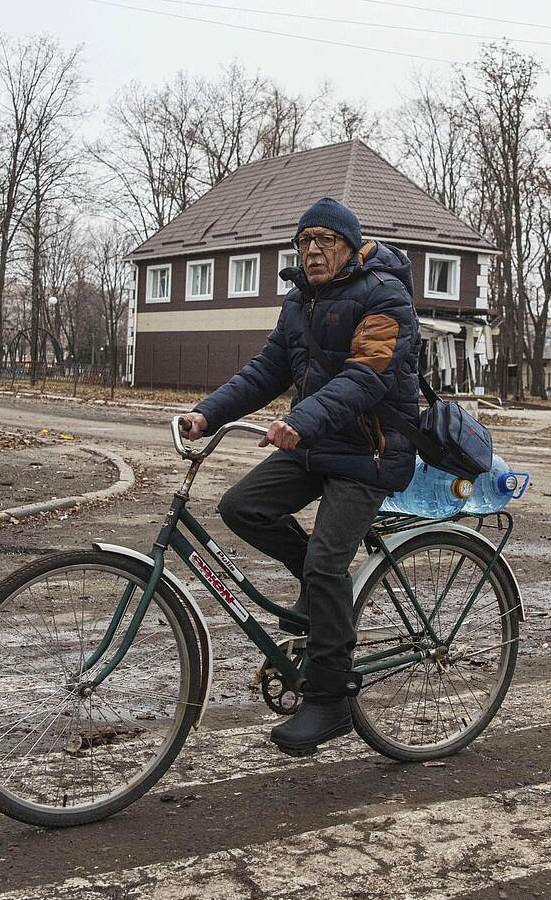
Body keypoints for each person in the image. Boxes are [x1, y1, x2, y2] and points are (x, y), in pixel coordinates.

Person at [177, 197, 420, 755]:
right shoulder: (299, 300)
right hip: (316, 442)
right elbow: (268, 369)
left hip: (371, 450)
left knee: (327, 562)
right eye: (304, 241)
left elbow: (366, 377)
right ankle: (318, 595)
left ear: (351, 247)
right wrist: (207, 414)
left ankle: (331, 698)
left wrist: (300, 421)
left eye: (325, 240)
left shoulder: (386, 295)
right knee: (243, 507)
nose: (312, 250)